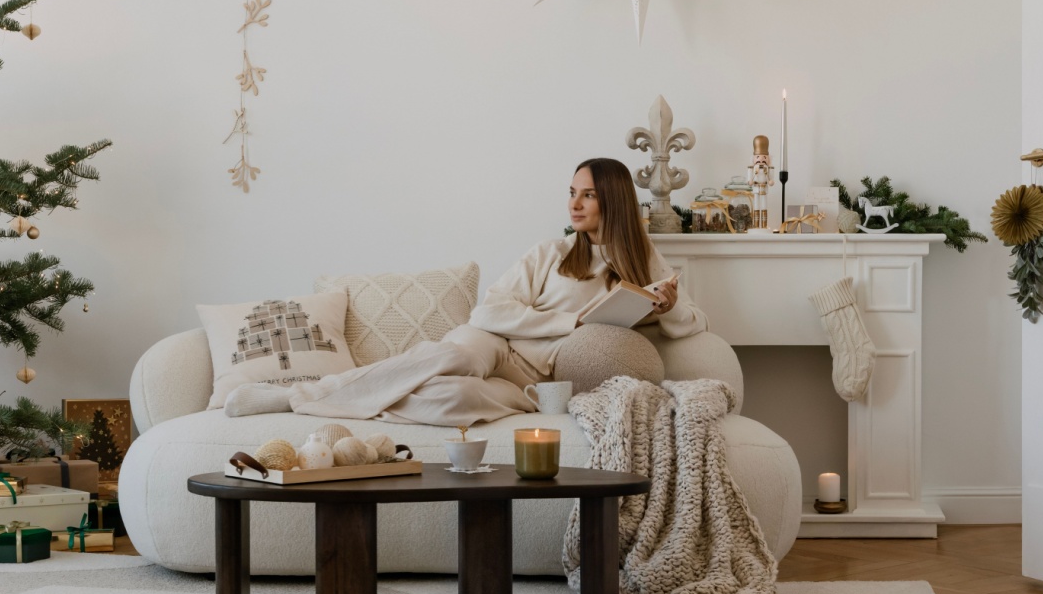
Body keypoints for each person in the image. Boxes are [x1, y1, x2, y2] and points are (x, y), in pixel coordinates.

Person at [226, 157, 708, 425]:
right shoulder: (552, 252)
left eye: (588, 194)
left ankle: (333, 399)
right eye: (572, 191)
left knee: (451, 400)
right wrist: (570, 323)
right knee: (447, 359)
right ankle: (293, 397)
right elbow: (488, 312)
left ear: (613, 200)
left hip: (534, 384)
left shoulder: (644, 259)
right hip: (497, 346)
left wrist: (665, 307)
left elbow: (692, 321)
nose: (574, 203)